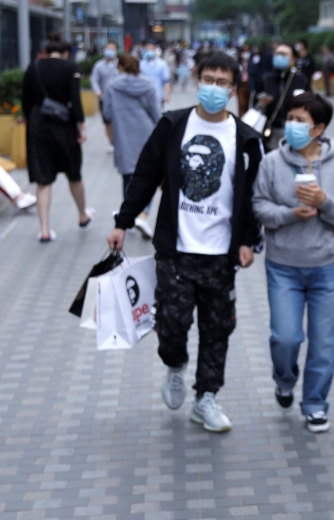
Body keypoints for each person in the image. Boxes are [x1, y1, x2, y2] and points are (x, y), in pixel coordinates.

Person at [106, 51, 264, 433]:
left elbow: (253, 197)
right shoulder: (173, 125)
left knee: (217, 329)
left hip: (220, 257)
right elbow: (144, 175)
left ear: (233, 87)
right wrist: (123, 222)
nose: (214, 88)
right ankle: (175, 366)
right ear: (196, 79)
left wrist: (248, 241)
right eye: (208, 79)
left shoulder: (246, 139)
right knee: (172, 327)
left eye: (223, 82)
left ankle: (206, 397)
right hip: (175, 252)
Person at [252, 92, 334, 433]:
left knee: (323, 341)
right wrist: (289, 214)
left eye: (302, 121)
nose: (293, 126)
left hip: (327, 266)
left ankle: (315, 403)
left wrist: (324, 201)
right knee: (285, 338)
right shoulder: (271, 162)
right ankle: (284, 379)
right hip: (282, 265)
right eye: (291, 118)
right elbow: (259, 206)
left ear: (319, 128)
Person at [21, 35, 95, 242]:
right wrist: (82, 127)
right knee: (74, 174)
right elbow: (75, 101)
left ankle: (44, 230)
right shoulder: (70, 68)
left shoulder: (33, 67)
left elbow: (25, 99)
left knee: (43, 180)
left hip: (37, 124)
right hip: (64, 126)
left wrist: (31, 122)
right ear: (65, 53)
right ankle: (82, 215)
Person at [102, 53, 161, 239]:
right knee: (150, 177)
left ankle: (131, 214)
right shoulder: (149, 85)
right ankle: (143, 214)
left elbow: (107, 114)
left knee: (128, 178)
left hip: (123, 135)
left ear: (119, 67)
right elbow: (157, 115)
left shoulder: (112, 86)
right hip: (147, 134)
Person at [254, 43, 311, 151]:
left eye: (283, 54)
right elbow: (254, 105)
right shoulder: (266, 79)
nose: (279, 57)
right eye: (277, 54)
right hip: (270, 132)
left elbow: (311, 106)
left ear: (293, 58)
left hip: (295, 132)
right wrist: (261, 105)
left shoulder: (301, 80)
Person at [91, 41, 121, 145]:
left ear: (116, 51)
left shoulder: (120, 64)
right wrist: (98, 91)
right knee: (107, 121)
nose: (110, 51)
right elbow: (94, 80)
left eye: (112, 49)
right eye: (108, 48)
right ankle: (111, 142)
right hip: (104, 99)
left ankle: (119, 140)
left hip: (119, 98)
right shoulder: (99, 65)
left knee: (119, 122)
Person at [140, 41, 172, 108]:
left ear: (154, 49)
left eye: (151, 49)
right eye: (147, 49)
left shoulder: (162, 63)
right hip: (144, 97)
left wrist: (167, 95)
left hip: (158, 96)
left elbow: (166, 80)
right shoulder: (141, 64)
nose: (149, 51)